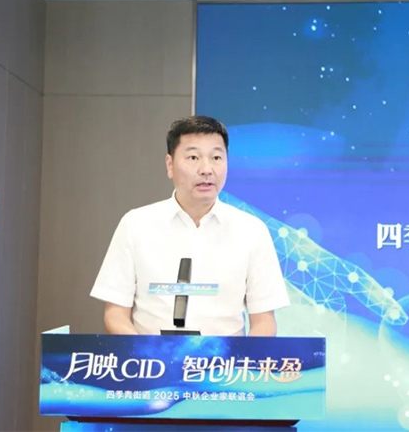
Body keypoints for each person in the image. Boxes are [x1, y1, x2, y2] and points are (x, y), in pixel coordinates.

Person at [90, 115, 289, 336]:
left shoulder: (251, 231)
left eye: (216, 157)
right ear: (170, 165)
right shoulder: (135, 224)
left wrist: (240, 359)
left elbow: (264, 322)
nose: (206, 169)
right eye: (193, 157)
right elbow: (115, 314)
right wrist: (146, 353)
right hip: (149, 357)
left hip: (225, 358)